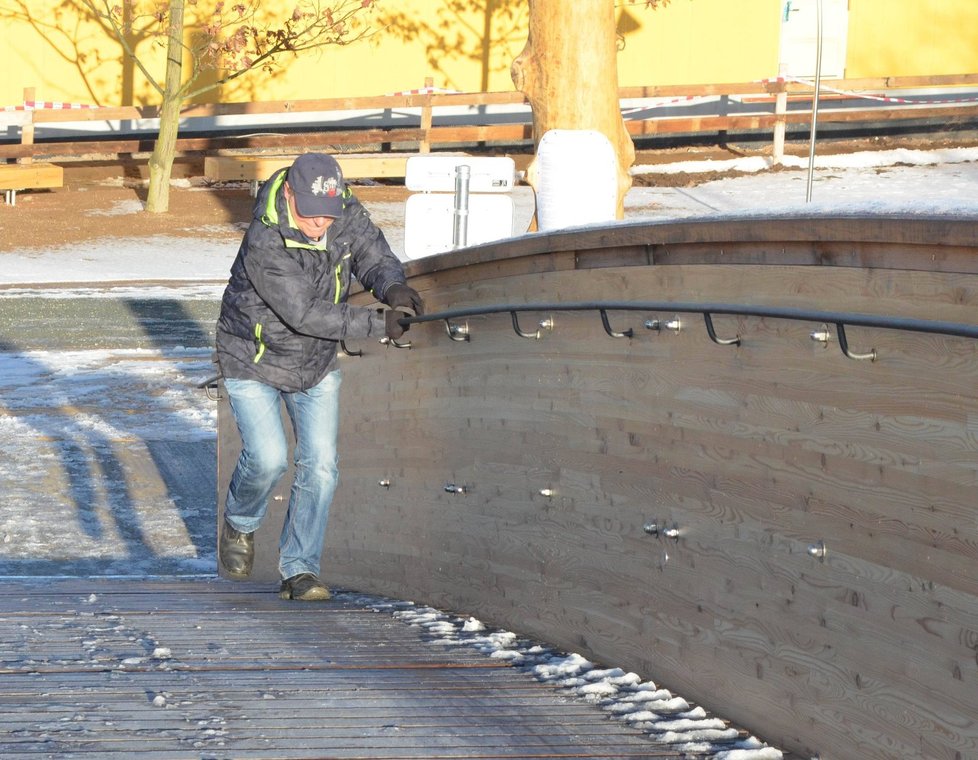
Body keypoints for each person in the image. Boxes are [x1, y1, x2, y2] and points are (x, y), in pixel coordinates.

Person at [215, 152, 423, 601]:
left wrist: (393, 286)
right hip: (252, 356)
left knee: (322, 468)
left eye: (327, 216)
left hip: (316, 362)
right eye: (311, 216)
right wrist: (376, 323)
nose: (319, 226)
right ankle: (240, 522)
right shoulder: (264, 239)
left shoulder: (343, 209)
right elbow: (305, 313)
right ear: (289, 194)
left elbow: (372, 253)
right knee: (269, 458)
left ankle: (300, 570)